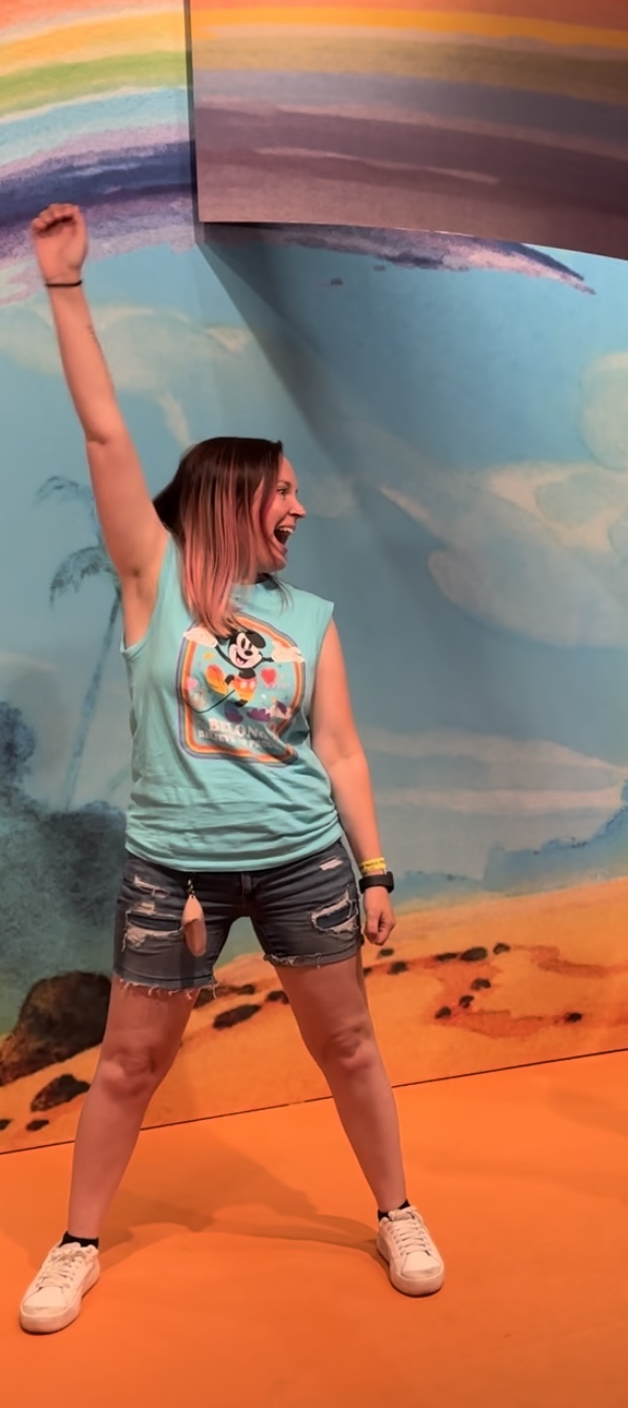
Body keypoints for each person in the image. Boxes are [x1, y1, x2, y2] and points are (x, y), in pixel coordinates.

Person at [18, 203, 444, 1336]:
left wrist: (376, 867)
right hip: (174, 871)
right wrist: (66, 288)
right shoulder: (151, 580)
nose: (300, 507)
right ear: (233, 496)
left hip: (304, 863)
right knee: (128, 1063)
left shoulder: (310, 616)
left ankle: (397, 1211)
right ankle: (77, 1242)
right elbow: (106, 439)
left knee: (346, 1044)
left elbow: (338, 748)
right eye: (283, 490)